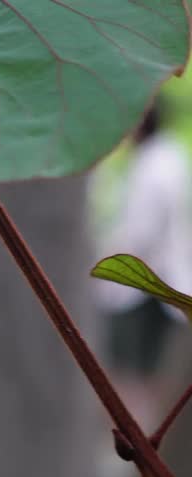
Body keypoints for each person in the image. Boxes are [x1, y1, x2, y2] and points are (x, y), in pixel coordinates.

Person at [96, 100, 192, 426]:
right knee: (146, 368)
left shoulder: (153, 163)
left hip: (145, 286)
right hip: (161, 281)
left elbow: (144, 229)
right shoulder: (169, 156)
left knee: (134, 368)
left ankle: (136, 427)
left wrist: (113, 258)